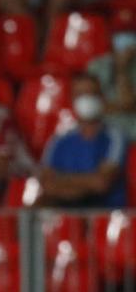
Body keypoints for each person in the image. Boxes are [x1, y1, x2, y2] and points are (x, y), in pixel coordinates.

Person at [37, 73, 128, 209]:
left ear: (101, 97)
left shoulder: (114, 137)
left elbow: (101, 183)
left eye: (91, 93)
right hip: (64, 216)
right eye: (80, 94)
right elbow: (47, 185)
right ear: (72, 99)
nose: (86, 99)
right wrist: (88, 181)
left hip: (104, 217)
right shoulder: (59, 141)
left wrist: (61, 180)